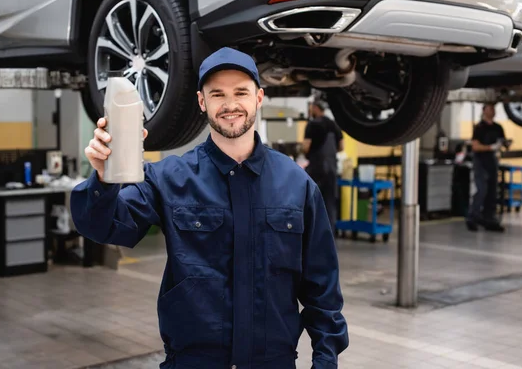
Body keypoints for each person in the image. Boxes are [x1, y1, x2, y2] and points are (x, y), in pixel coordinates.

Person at [70, 47, 348, 369]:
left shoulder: (297, 185)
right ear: (202, 102)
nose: (230, 105)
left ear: (259, 98)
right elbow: (101, 226)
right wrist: (103, 180)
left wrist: (325, 362)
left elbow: (323, 290)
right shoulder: (168, 178)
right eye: (218, 94)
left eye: (240, 92)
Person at [301, 99, 343, 234]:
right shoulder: (334, 124)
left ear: (315, 108)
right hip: (331, 169)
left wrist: (302, 151)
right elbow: (341, 147)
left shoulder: (312, 124)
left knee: (311, 201)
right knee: (330, 202)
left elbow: (306, 147)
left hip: (316, 168)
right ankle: (329, 233)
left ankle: (312, 233)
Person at [466, 103, 509, 232]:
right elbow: (475, 146)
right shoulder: (479, 128)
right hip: (480, 161)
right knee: (481, 190)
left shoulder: (498, 127)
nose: (493, 111)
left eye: (494, 109)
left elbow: (503, 142)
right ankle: (473, 218)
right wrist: (491, 147)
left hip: (492, 161)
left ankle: (489, 219)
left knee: (492, 191)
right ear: (484, 110)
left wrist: (505, 144)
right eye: (490, 109)